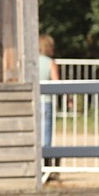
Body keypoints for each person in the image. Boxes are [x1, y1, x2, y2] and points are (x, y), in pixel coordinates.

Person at [38, 33, 60, 165]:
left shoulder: (31, 61)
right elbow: (56, 81)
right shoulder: (50, 63)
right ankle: (47, 165)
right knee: (46, 134)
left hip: (34, 102)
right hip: (46, 102)